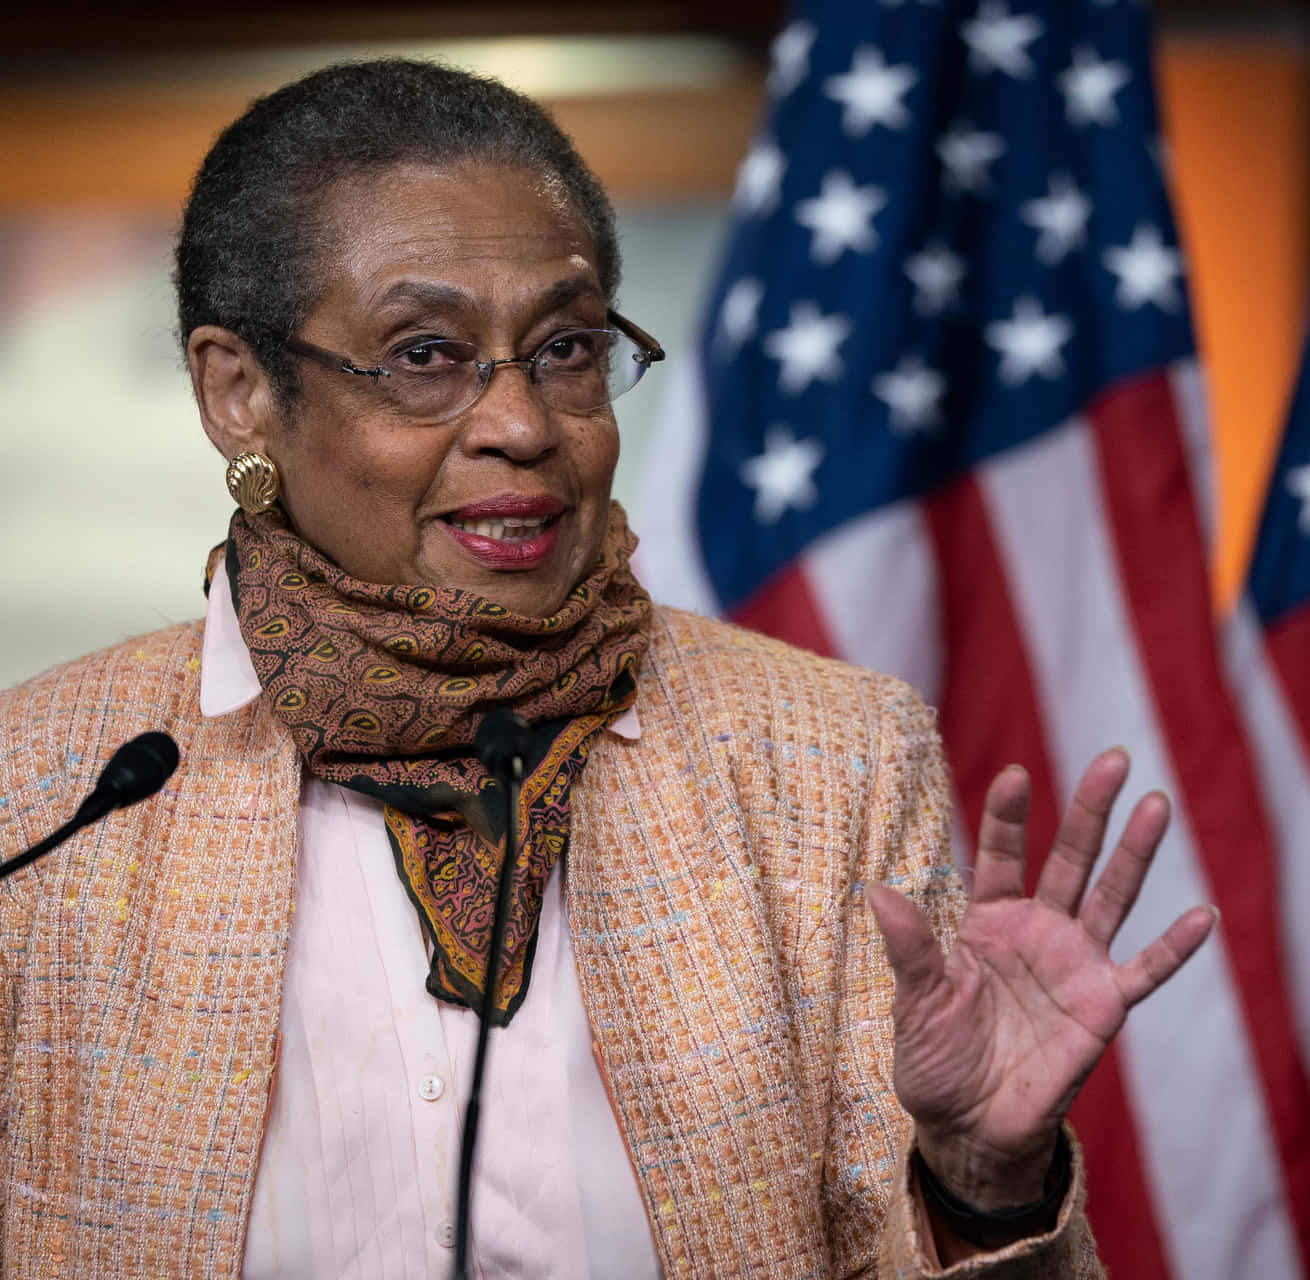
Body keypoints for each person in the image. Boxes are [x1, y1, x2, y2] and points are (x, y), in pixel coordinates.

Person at [0, 59, 1215, 1278]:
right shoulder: (39, 793)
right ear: (239, 392)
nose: (522, 424)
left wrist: (983, 1181)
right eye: (425, 355)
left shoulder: (828, 761)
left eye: (567, 348)